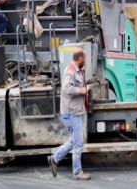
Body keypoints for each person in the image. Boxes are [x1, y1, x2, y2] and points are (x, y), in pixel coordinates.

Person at [47, 50, 91, 180]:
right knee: (78, 143)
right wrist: (81, 90)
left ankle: (54, 159)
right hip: (71, 112)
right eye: (85, 58)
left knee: (74, 140)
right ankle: (77, 172)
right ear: (80, 58)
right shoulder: (71, 71)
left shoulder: (76, 70)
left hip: (74, 110)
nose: (86, 61)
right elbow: (66, 88)